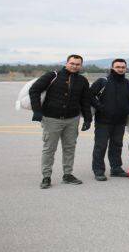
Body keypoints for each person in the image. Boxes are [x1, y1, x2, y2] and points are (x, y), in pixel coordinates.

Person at [29, 54, 91, 189]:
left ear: (81, 65)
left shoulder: (82, 80)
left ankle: (67, 174)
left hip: (72, 119)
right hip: (51, 119)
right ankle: (46, 176)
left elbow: (85, 101)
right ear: (66, 63)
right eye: (72, 63)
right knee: (49, 149)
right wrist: (37, 111)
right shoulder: (52, 76)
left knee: (69, 148)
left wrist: (88, 118)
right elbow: (34, 90)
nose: (74, 66)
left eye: (77, 64)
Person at [90, 59, 129, 181]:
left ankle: (116, 168)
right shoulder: (102, 81)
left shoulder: (128, 83)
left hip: (120, 121)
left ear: (126, 68)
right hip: (103, 120)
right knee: (101, 146)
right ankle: (98, 170)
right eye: (118, 67)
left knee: (117, 145)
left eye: (123, 67)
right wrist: (100, 107)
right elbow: (90, 95)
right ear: (112, 67)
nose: (120, 69)